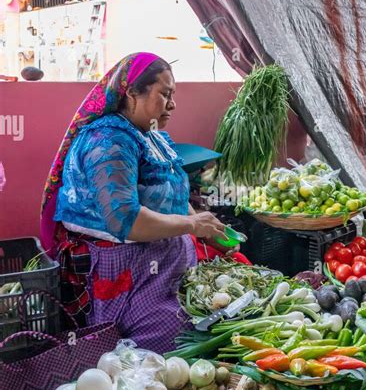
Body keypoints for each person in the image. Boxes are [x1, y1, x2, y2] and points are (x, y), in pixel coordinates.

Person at [40, 52, 227, 352]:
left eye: (173, 95)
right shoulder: (108, 140)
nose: (173, 104)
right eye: (164, 94)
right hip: (127, 275)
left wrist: (207, 226)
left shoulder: (151, 136)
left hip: (165, 268)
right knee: (175, 339)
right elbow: (124, 220)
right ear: (132, 93)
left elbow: (172, 193)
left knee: (211, 319)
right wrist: (192, 224)